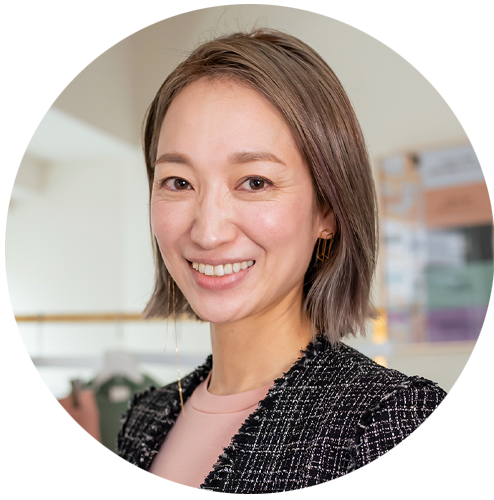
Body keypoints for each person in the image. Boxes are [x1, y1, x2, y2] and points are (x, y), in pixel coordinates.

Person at [112, 28, 474, 494]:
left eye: (255, 182)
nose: (208, 231)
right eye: (178, 182)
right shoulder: (143, 420)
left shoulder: (391, 424)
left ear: (327, 210)